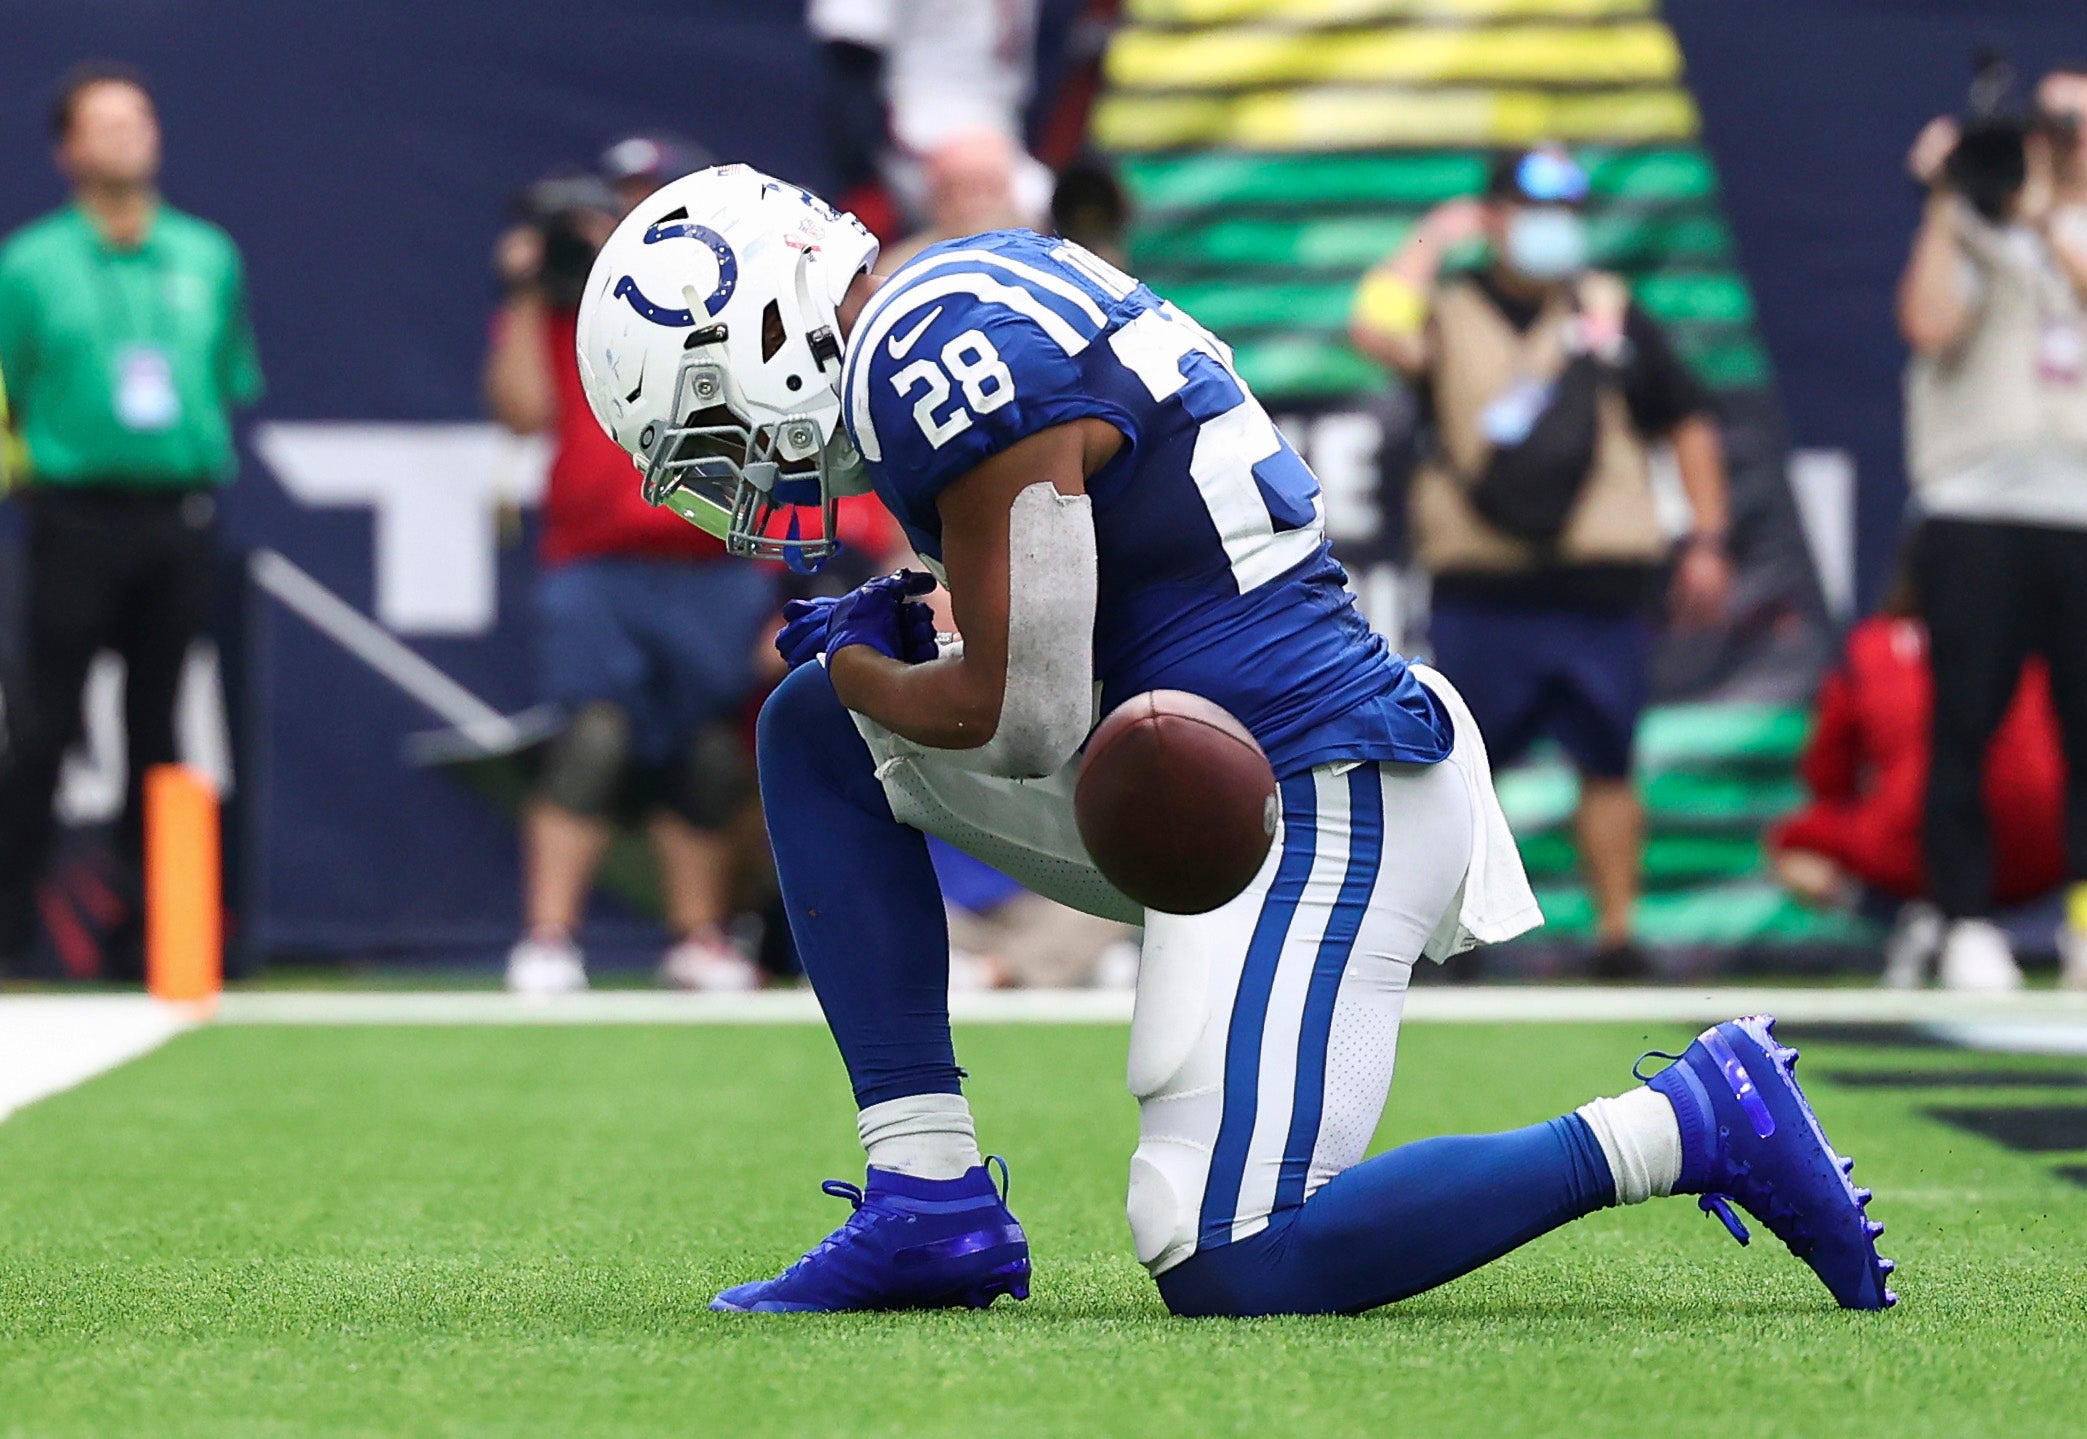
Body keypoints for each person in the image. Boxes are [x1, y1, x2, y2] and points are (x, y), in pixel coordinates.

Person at [570, 164, 1895, 1317]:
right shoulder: (955, 298)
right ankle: (926, 1196)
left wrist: (849, 648)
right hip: (1186, 766)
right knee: (821, 730)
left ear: (759, 331)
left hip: (1316, 781)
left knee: (1228, 1253)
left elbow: (1019, 712)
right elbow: (1058, 652)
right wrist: (858, 672)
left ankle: (1684, 1118)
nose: (734, 469)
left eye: (712, 425)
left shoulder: (936, 349)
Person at [1349, 146, 1733, 979]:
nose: (1551, 230)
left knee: (1609, 759)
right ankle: (1459, 936)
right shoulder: (1445, 312)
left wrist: (1705, 536)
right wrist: (1428, 239)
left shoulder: (1608, 311)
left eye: (1564, 213)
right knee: (1461, 774)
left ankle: (1616, 934)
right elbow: (1370, 327)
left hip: (1602, 582)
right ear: (1489, 217)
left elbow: (1686, 419)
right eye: (1529, 211)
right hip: (1484, 586)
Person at [484, 159, 774, 994]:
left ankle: (700, 936)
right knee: (592, 737)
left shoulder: (741, 298)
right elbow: (521, 412)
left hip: (711, 558)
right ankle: (546, 938)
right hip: (597, 559)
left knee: (709, 750)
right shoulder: (569, 298)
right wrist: (526, 293)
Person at [0, 64, 262, 977]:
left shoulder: (207, 256)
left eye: (139, 117)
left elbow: (229, 377)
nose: (126, 135)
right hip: (71, 517)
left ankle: (156, 934)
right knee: (42, 726)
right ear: (67, 149)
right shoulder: (28, 266)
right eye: (104, 123)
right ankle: (11, 934)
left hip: (176, 517)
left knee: (163, 732)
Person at [1897, 65, 2087, 992]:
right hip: (1974, 511)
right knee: (1965, 722)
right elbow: (1929, 325)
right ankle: (1963, 917)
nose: (2055, 138)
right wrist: (1946, 201)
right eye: (2045, 122)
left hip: (2080, 514)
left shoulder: (2065, 232)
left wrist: (2049, 218)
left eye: (2073, 123)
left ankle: (2084, 921)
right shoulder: (1970, 227)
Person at [1767, 561, 2069, 988]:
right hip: (2046, 847)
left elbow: (1827, 773)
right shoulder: (2042, 636)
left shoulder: (1872, 647)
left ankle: (1915, 920)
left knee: (1791, 842)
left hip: (1917, 844)